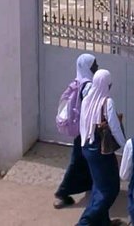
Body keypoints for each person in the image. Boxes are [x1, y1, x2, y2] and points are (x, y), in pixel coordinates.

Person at [77, 69, 128, 226]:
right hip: (101, 151)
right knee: (110, 189)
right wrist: (126, 146)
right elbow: (114, 128)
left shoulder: (87, 100)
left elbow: (82, 124)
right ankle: (84, 222)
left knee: (98, 187)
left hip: (87, 147)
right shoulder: (107, 103)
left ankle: (102, 222)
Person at [55, 53, 99, 209]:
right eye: (94, 65)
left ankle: (91, 186)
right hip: (86, 131)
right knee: (78, 161)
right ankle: (62, 193)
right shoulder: (87, 86)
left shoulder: (78, 82)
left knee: (84, 160)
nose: (97, 67)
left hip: (82, 130)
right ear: (87, 67)